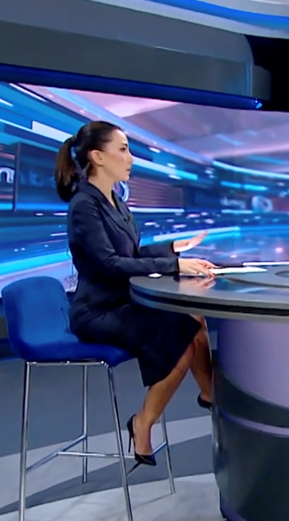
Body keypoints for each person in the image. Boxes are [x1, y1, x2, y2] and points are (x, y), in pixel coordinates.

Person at [55, 120, 217, 469]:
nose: (131, 159)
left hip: (123, 303)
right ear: (97, 157)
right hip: (98, 311)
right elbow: (109, 264)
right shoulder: (85, 205)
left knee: (194, 317)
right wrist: (174, 266)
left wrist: (172, 249)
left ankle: (211, 395)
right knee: (181, 332)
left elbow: (130, 253)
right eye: (123, 150)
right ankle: (143, 422)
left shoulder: (114, 199)